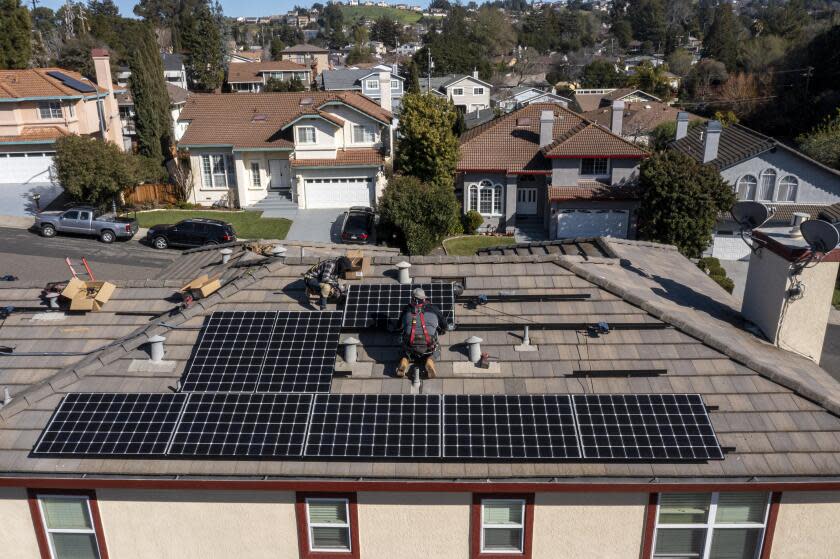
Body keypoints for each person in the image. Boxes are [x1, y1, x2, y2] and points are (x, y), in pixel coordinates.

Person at [395, 288, 447, 378]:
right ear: (424, 299)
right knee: (437, 348)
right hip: (428, 344)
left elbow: (399, 327)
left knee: (404, 349)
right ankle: (430, 361)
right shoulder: (434, 308)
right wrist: (442, 329)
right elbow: (444, 325)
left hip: (410, 344)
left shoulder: (406, 309)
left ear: (412, 299)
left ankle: (404, 360)